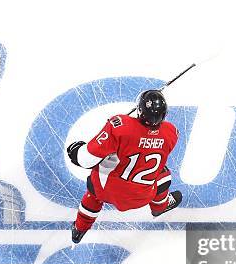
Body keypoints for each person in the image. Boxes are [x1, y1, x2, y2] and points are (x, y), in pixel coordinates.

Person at [66, 90, 183, 243]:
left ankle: (79, 229)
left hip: (106, 191)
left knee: (97, 186)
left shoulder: (119, 126)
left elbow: (85, 160)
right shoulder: (172, 132)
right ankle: (159, 208)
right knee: (163, 174)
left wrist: (76, 150)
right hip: (142, 196)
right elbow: (145, 144)